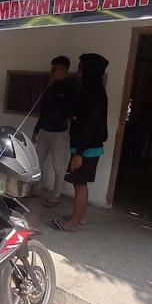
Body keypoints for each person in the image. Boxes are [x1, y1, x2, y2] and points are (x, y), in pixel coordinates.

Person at [52, 53, 109, 231]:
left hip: (86, 149)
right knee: (80, 184)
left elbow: (89, 126)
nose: (77, 71)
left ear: (89, 70)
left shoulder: (94, 93)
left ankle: (74, 222)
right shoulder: (91, 90)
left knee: (80, 185)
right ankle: (79, 217)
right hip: (86, 147)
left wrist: (79, 154)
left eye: (80, 67)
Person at [32, 56, 77, 207]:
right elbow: (43, 111)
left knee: (59, 165)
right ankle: (37, 189)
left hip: (59, 133)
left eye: (54, 68)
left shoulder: (71, 87)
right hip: (44, 130)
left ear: (63, 69)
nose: (52, 71)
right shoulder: (51, 87)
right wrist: (36, 130)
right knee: (37, 161)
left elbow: (73, 110)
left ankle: (55, 196)